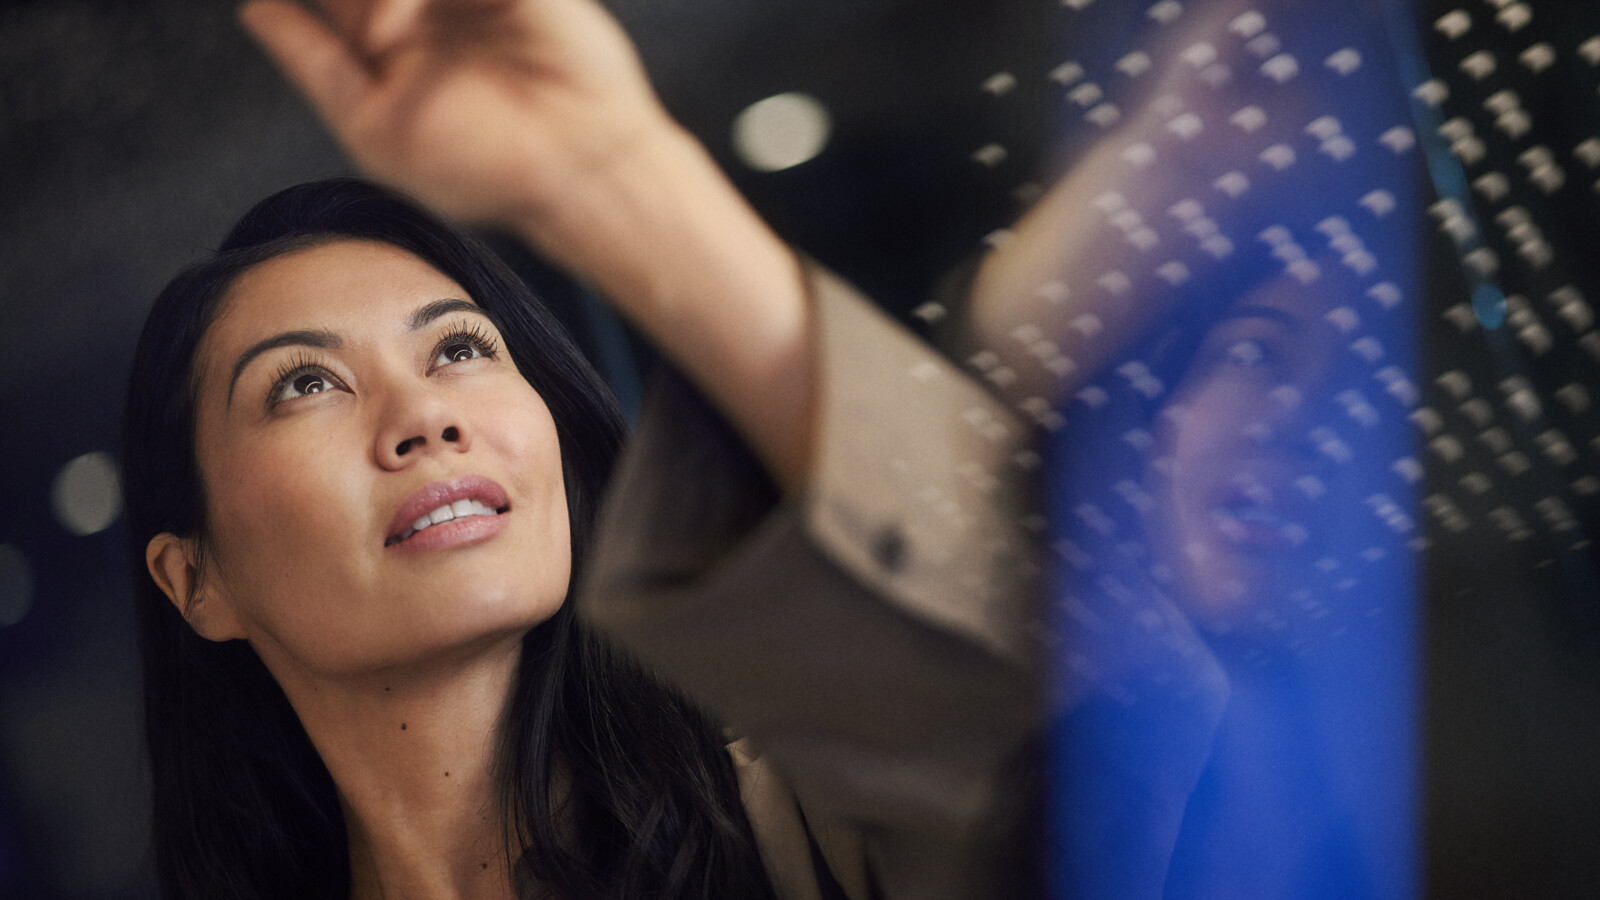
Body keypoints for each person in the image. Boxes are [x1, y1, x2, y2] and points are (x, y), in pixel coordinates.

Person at [123, 2, 1045, 898]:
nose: (426, 416)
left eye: (459, 349)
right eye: (306, 383)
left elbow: (1053, 693)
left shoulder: (809, 839)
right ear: (195, 580)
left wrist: (605, 172)